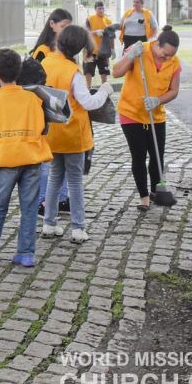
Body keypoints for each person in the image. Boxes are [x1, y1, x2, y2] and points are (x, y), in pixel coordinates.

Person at [0, 49, 52, 266]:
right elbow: (41, 127)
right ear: (19, 73)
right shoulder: (33, 99)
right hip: (32, 159)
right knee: (29, 207)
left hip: (5, 160)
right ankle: (26, 253)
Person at [40, 25, 114, 241]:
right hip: (73, 134)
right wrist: (104, 90)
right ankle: (78, 228)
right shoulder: (74, 72)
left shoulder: (45, 63)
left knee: (54, 178)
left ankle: (49, 224)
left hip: (53, 132)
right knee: (74, 181)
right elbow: (88, 103)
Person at [112, 26, 182, 211]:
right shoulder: (140, 50)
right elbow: (116, 72)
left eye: (170, 56)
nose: (166, 58)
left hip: (155, 115)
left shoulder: (174, 63)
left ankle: (156, 191)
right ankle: (144, 197)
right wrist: (131, 56)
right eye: (164, 54)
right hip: (131, 112)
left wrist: (158, 100)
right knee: (139, 156)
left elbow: (174, 91)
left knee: (157, 155)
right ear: (156, 44)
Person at [30, 8, 72, 214]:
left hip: (60, 110)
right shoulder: (42, 51)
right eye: (63, 26)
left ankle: (62, 198)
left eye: (69, 27)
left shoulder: (66, 52)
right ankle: (42, 201)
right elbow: (32, 84)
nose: (66, 31)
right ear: (52, 25)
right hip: (43, 110)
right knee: (47, 160)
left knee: (61, 157)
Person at [84, 1, 113, 87]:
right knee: (88, 72)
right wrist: (95, 32)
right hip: (90, 50)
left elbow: (111, 36)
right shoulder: (89, 19)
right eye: (99, 8)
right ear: (95, 9)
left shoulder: (108, 21)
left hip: (103, 51)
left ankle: (104, 89)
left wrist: (112, 49)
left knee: (104, 72)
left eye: (102, 8)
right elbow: (86, 33)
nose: (101, 10)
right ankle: (88, 89)